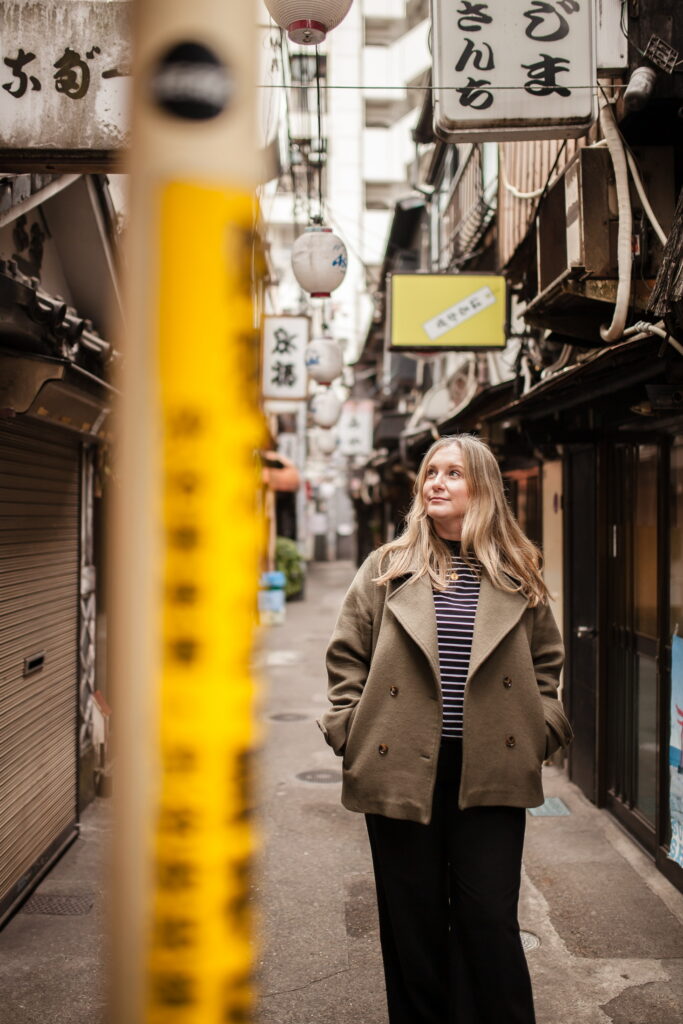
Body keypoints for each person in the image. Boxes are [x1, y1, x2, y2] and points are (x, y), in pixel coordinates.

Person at [318, 434, 573, 1024]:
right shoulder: (387, 568)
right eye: (431, 472)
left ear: (481, 488)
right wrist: (349, 728)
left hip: (491, 768)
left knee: (489, 920)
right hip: (400, 765)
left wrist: (543, 730)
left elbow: (546, 666)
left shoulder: (517, 572)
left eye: (453, 473)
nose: (436, 482)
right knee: (413, 924)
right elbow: (346, 655)